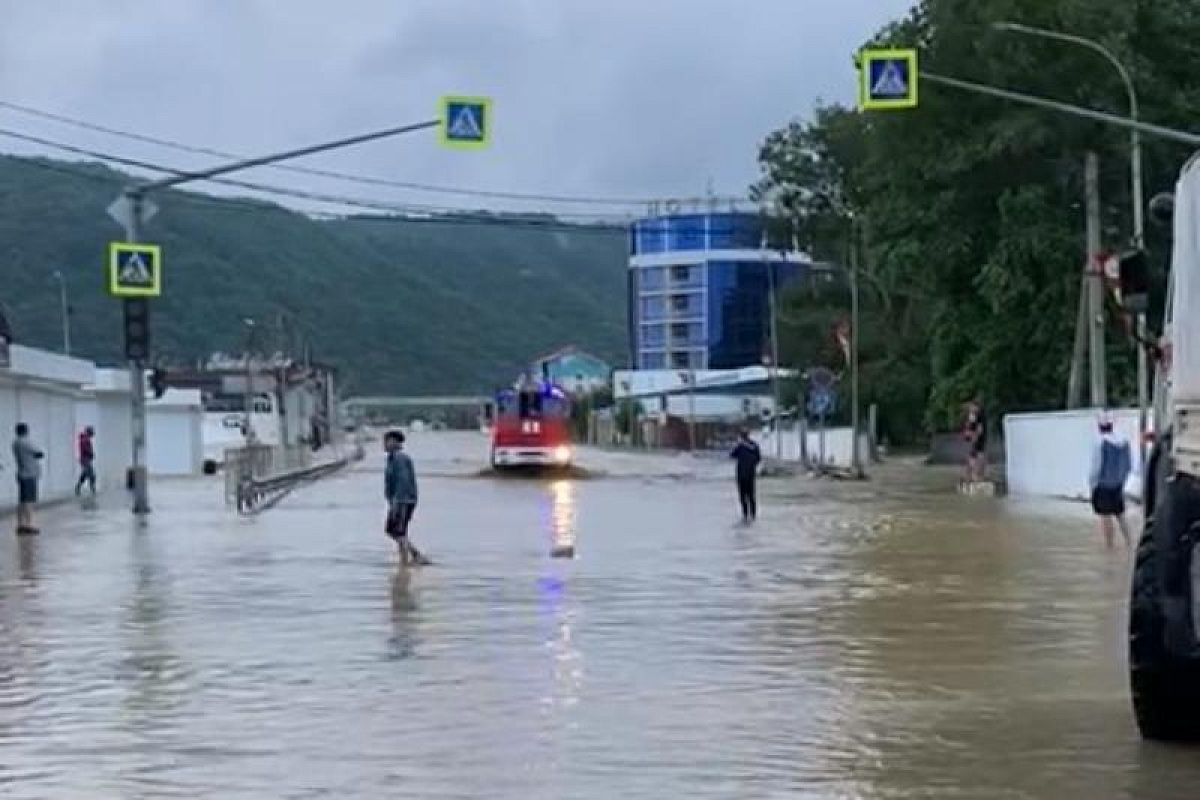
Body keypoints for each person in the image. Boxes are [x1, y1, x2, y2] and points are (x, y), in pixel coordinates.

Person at [383, 430, 428, 566]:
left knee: (394, 530)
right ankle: (404, 562)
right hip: (398, 500)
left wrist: (397, 502)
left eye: (387, 441)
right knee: (399, 531)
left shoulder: (399, 459)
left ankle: (416, 554)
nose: (384, 444)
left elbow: (403, 481)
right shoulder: (392, 459)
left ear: (396, 443)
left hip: (403, 500)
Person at [1090, 413, 1133, 549]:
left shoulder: (1100, 443)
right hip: (1118, 484)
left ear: (1099, 427)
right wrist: (1122, 481)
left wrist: (1092, 484)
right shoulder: (1123, 442)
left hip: (1103, 484)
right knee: (1120, 514)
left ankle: (1110, 546)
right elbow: (1128, 465)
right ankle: (1129, 543)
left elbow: (1096, 466)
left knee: (1105, 516)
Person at [11, 423, 44, 535]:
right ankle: (29, 525)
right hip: (29, 474)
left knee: (22, 501)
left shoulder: (15, 443)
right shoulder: (26, 442)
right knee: (29, 501)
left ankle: (20, 524)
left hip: (21, 473)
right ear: (25, 431)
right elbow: (40, 453)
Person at [730, 429, 762, 521]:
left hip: (741, 474)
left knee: (743, 495)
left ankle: (745, 514)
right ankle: (753, 514)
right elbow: (758, 458)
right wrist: (752, 465)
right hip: (751, 473)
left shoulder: (740, 446)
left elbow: (732, 455)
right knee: (751, 495)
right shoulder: (754, 445)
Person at [963, 397, 988, 482]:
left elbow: (980, 429)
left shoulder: (980, 415)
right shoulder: (973, 415)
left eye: (971, 407)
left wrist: (973, 435)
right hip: (975, 439)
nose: (970, 409)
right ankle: (972, 476)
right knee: (973, 457)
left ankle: (977, 476)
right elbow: (969, 426)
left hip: (978, 439)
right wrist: (968, 433)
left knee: (977, 456)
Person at [75, 426, 97, 496]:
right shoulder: (85, 439)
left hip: (85, 459)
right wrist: (91, 453)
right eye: (91, 433)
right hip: (85, 459)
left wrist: (91, 454)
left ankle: (79, 487)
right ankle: (92, 488)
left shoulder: (85, 439)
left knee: (86, 474)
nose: (92, 435)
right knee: (91, 474)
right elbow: (86, 449)